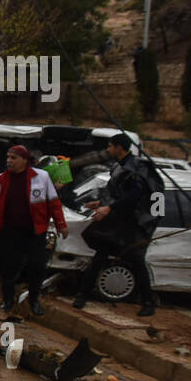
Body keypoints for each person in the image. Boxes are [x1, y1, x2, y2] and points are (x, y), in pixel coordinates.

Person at [71, 133, 160, 316]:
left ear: (120, 147)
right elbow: (117, 192)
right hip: (116, 224)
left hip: (131, 226)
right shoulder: (121, 166)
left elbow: (133, 196)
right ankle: (82, 296)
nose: (108, 150)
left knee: (137, 262)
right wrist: (100, 203)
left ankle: (148, 303)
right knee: (99, 258)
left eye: (110, 146)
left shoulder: (134, 168)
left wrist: (109, 208)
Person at [0, 145, 68, 315]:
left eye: (13, 158)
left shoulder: (41, 177)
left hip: (35, 231)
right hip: (10, 231)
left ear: (24, 160)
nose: (9, 161)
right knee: (9, 268)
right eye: (8, 157)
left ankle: (34, 300)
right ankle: (8, 301)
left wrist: (61, 224)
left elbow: (53, 202)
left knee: (37, 266)